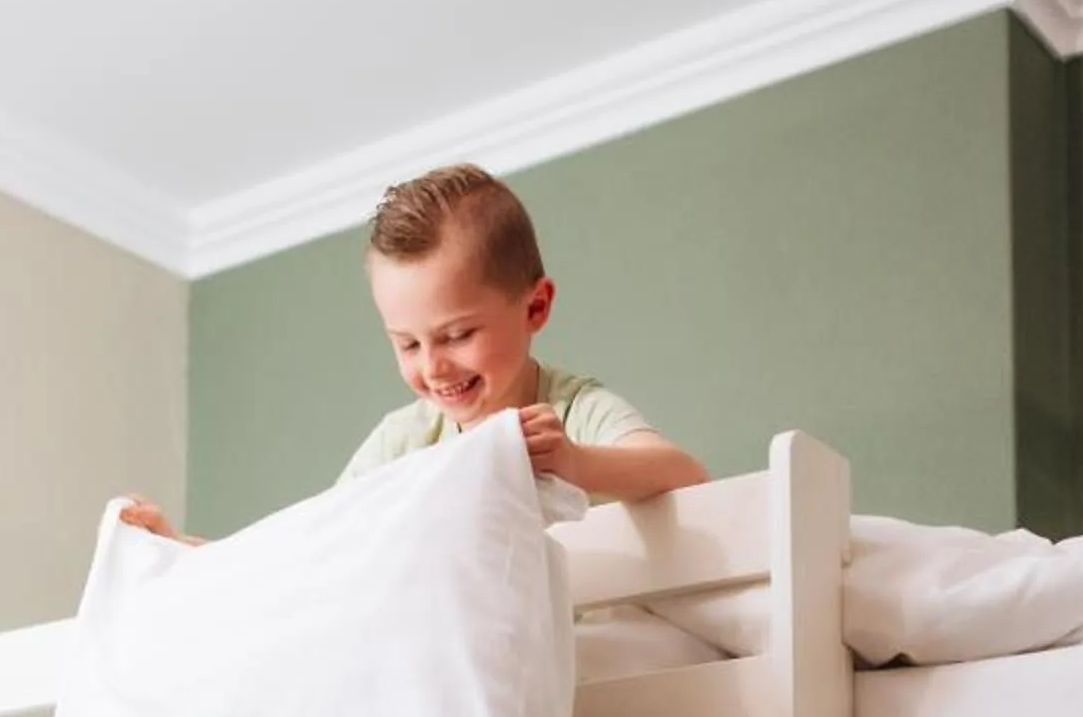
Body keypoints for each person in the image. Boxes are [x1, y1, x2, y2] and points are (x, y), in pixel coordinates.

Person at [116, 158, 704, 545]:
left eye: (457, 335)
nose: (433, 366)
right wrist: (182, 545)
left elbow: (684, 474)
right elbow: (311, 541)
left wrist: (572, 461)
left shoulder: (571, 409)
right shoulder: (404, 441)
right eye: (408, 344)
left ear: (534, 308)